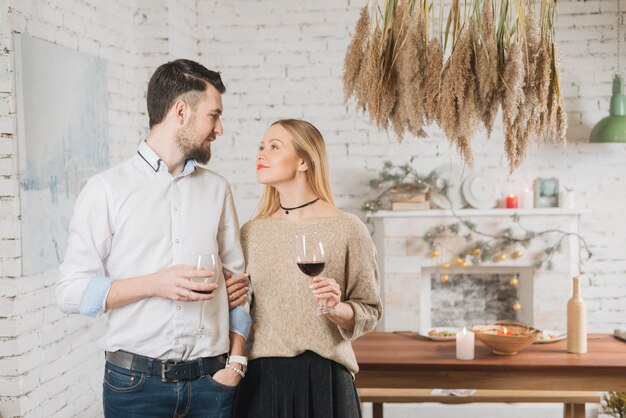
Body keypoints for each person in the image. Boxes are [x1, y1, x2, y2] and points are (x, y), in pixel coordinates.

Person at [56, 59, 251, 418]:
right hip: (133, 387)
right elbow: (70, 292)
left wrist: (235, 364)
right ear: (181, 111)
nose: (219, 129)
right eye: (214, 115)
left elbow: (239, 289)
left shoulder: (217, 190)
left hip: (213, 384)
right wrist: (155, 284)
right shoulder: (106, 190)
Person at [230, 119, 383, 418]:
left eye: (274, 147)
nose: (262, 155)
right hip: (261, 381)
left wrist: (337, 309)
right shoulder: (252, 232)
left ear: (303, 161)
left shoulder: (348, 229)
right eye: (261, 147)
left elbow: (370, 310)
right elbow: (240, 308)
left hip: (326, 380)